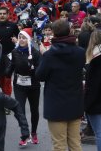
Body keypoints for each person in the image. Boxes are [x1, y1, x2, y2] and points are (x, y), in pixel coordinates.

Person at [36, 19, 85, 151]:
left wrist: (43, 54)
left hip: (56, 104)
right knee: (75, 143)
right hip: (75, 101)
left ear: (54, 34)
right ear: (69, 31)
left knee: (59, 145)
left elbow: (40, 76)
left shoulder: (49, 55)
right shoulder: (80, 52)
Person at [6, 29, 41, 146]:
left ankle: (34, 132)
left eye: (24, 37)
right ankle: (25, 134)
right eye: (20, 37)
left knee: (34, 110)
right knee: (20, 110)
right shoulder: (14, 51)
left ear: (29, 39)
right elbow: (11, 67)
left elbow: (40, 70)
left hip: (33, 85)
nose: (21, 39)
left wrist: (33, 69)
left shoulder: (35, 53)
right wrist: (4, 70)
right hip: (19, 85)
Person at [0, 6, 19, 97]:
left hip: (9, 55)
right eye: (0, 14)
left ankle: (7, 98)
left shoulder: (13, 26)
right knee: (1, 79)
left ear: (8, 15)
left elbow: (20, 37)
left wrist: (16, 40)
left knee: (7, 78)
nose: (2, 15)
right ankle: (5, 93)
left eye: (4, 14)